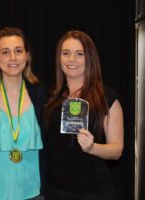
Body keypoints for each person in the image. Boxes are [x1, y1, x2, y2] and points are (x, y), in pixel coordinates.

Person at [44, 30, 124, 200]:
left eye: (79, 54)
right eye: (66, 53)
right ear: (59, 58)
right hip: (54, 191)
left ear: (89, 59)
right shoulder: (52, 98)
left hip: (93, 193)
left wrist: (92, 147)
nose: (71, 59)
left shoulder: (107, 98)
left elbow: (116, 150)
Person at [0, 27, 46, 200]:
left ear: (27, 56)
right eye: (5, 52)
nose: (12, 57)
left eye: (18, 51)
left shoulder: (40, 93)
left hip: (33, 192)